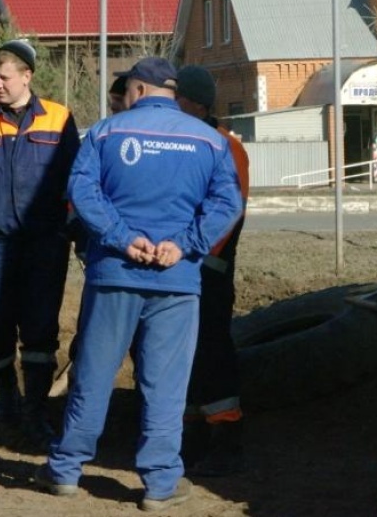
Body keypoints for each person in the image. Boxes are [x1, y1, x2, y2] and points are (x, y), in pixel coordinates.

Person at [36, 57, 243, 511]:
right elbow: (229, 203)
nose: (124, 97)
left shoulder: (106, 134)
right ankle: (161, 483)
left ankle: (67, 470)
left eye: (128, 89)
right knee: (166, 385)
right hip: (178, 279)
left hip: (115, 274)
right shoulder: (211, 141)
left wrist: (122, 238)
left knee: (93, 374)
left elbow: (83, 193)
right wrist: (187, 245)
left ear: (141, 90)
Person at [0, 38, 79, 448]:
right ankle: (6, 394)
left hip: (45, 242)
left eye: (4, 77)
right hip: (1, 242)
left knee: (40, 328)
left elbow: (77, 179)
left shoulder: (59, 119)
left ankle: (36, 412)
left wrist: (70, 224)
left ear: (27, 76)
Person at [174, 65, 250, 476]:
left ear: (197, 103)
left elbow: (228, 211)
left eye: (177, 97)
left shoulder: (225, 147)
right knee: (184, 354)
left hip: (208, 272)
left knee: (211, 351)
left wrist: (194, 252)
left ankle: (225, 437)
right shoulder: (183, 139)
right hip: (186, 265)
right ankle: (191, 433)